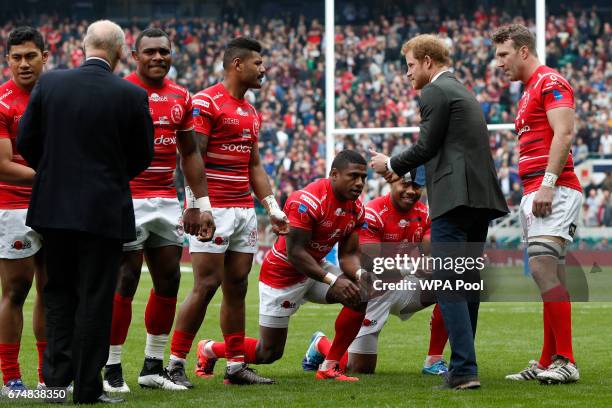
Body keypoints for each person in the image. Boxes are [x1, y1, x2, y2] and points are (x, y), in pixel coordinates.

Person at [17, 20, 155, 404]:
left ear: (83, 47)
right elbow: (143, 155)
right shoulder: (130, 95)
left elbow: (26, 139)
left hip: (54, 208)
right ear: (120, 52)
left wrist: (54, 172)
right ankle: (88, 389)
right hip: (104, 210)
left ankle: (55, 384)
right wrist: (112, 176)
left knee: (58, 293)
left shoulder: (52, 84)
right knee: (96, 297)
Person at [370, 34, 508, 390]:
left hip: (454, 198)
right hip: (481, 198)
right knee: (468, 284)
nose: (407, 74)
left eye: (411, 65)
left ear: (428, 61)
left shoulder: (433, 92)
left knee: (447, 282)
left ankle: (462, 370)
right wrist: (405, 170)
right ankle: (465, 365)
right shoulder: (462, 91)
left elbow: (426, 146)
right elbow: (447, 149)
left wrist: (390, 163)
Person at [166, 37, 289, 387]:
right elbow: (192, 157)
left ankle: (235, 365)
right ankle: (175, 363)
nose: (263, 69)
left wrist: (272, 207)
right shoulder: (205, 102)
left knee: (237, 285)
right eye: (258, 63)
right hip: (213, 208)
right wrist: (196, 207)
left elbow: (254, 166)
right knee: (206, 284)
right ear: (237, 64)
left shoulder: (251, 113)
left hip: (243, 210)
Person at [103, 28, 215, 393]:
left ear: (171, 54)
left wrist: (199, 204)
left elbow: (190, 153)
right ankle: (112, 367)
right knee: (126, 280)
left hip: (166, 200)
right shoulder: (118, 92)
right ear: (134, 56)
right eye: (149, 52)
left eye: (163, 52)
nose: (157, 58)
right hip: (127, 198)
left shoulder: (182, 96)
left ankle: (152, 367)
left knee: (169, 280)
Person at [194, 150, 368, 382]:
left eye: (363, 178)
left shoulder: (356, 209)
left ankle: (329, 366)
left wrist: (360, 273)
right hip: (282, 276)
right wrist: (333, 280)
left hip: (315, 269)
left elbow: (348, 256)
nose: (360, 183)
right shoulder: (307, 201)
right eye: (354, 176)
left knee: (361, 294)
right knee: (268, 353)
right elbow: (294, 253)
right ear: (334, 174)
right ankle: (209, 349)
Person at [493, 24, 582, 384]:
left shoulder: (550, 82)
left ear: (524, 52)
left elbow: (564, 132)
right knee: (548, 274)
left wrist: (547, 184)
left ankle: (567, 360)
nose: (499, 63)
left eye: (503, 54)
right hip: (535, 191)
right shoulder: (528, 90)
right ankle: (548, 360)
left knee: (544, 270)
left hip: (554, 189)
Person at [301, 169, 449, 375]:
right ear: (391, 182)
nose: (411, 191)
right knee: (359, 368)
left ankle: (433, 361)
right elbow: (373, 267)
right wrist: (416, 264)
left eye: (416, 186)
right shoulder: (372, 213)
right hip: (375, 294)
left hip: (406, 287)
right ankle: (320, 344)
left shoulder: (425, 214)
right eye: (404, 184)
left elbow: (433, 250)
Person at [0, 26, 48, 395]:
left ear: (45, 57)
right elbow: (2, 165)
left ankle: (49, 377)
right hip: (14, 206)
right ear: (7, 61)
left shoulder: (59, 95)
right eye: (16, 57)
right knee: (16, 291)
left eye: (30, 55)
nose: (23, 63)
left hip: (57, 206)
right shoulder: (1, 101)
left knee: (53, 292)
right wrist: (57, 178)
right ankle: (12, 378)